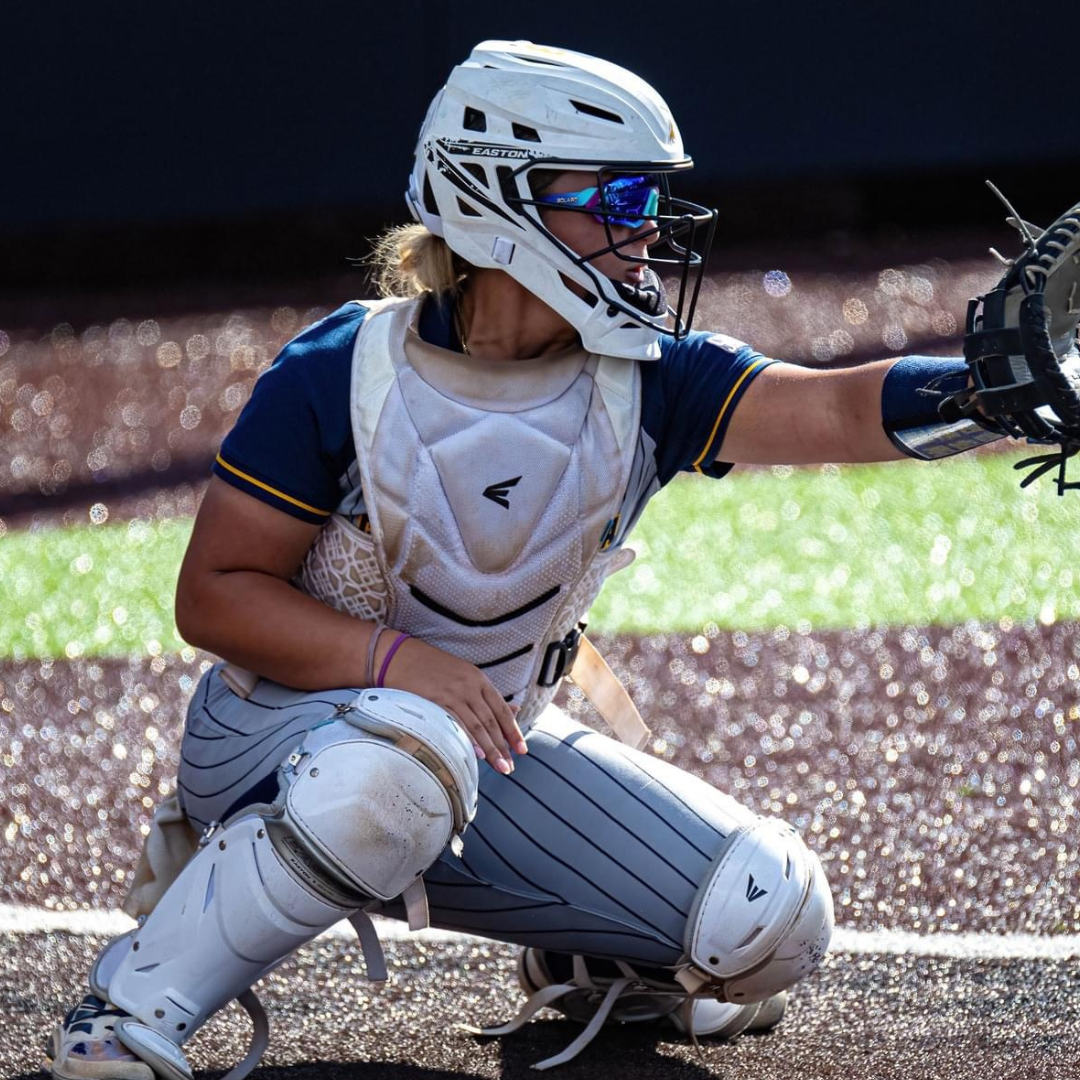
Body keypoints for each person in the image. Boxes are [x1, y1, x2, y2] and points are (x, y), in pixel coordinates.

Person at [46, 39, 1079, 1080]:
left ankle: (584, 948)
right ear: (499, 195)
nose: (649, 234)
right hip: (274, 746)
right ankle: (127, 1010)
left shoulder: (653, 380)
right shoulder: (340, 370)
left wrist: (989, 394)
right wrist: (403, 666)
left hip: (474, 754)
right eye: (622, 197)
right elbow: (214, 597)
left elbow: (839, 405)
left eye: (655, 202)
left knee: (772, 919)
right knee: (404, 755)